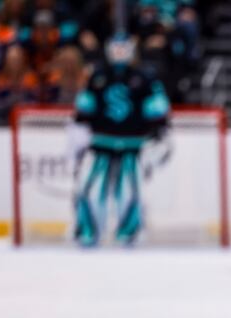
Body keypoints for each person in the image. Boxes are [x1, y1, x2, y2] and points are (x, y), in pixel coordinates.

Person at [72, 33, 170, 246]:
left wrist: (159, 133)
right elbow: (83, 108)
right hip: (100, 143)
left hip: (132, 144)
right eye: (115, 49)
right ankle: (88, 231)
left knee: (129, 191)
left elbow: (158, 109)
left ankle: (128, 232)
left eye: (123, 49)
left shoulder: (144, 77)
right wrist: (78, 135)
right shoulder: (97, 75)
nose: (119, 54)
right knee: (90, 189)